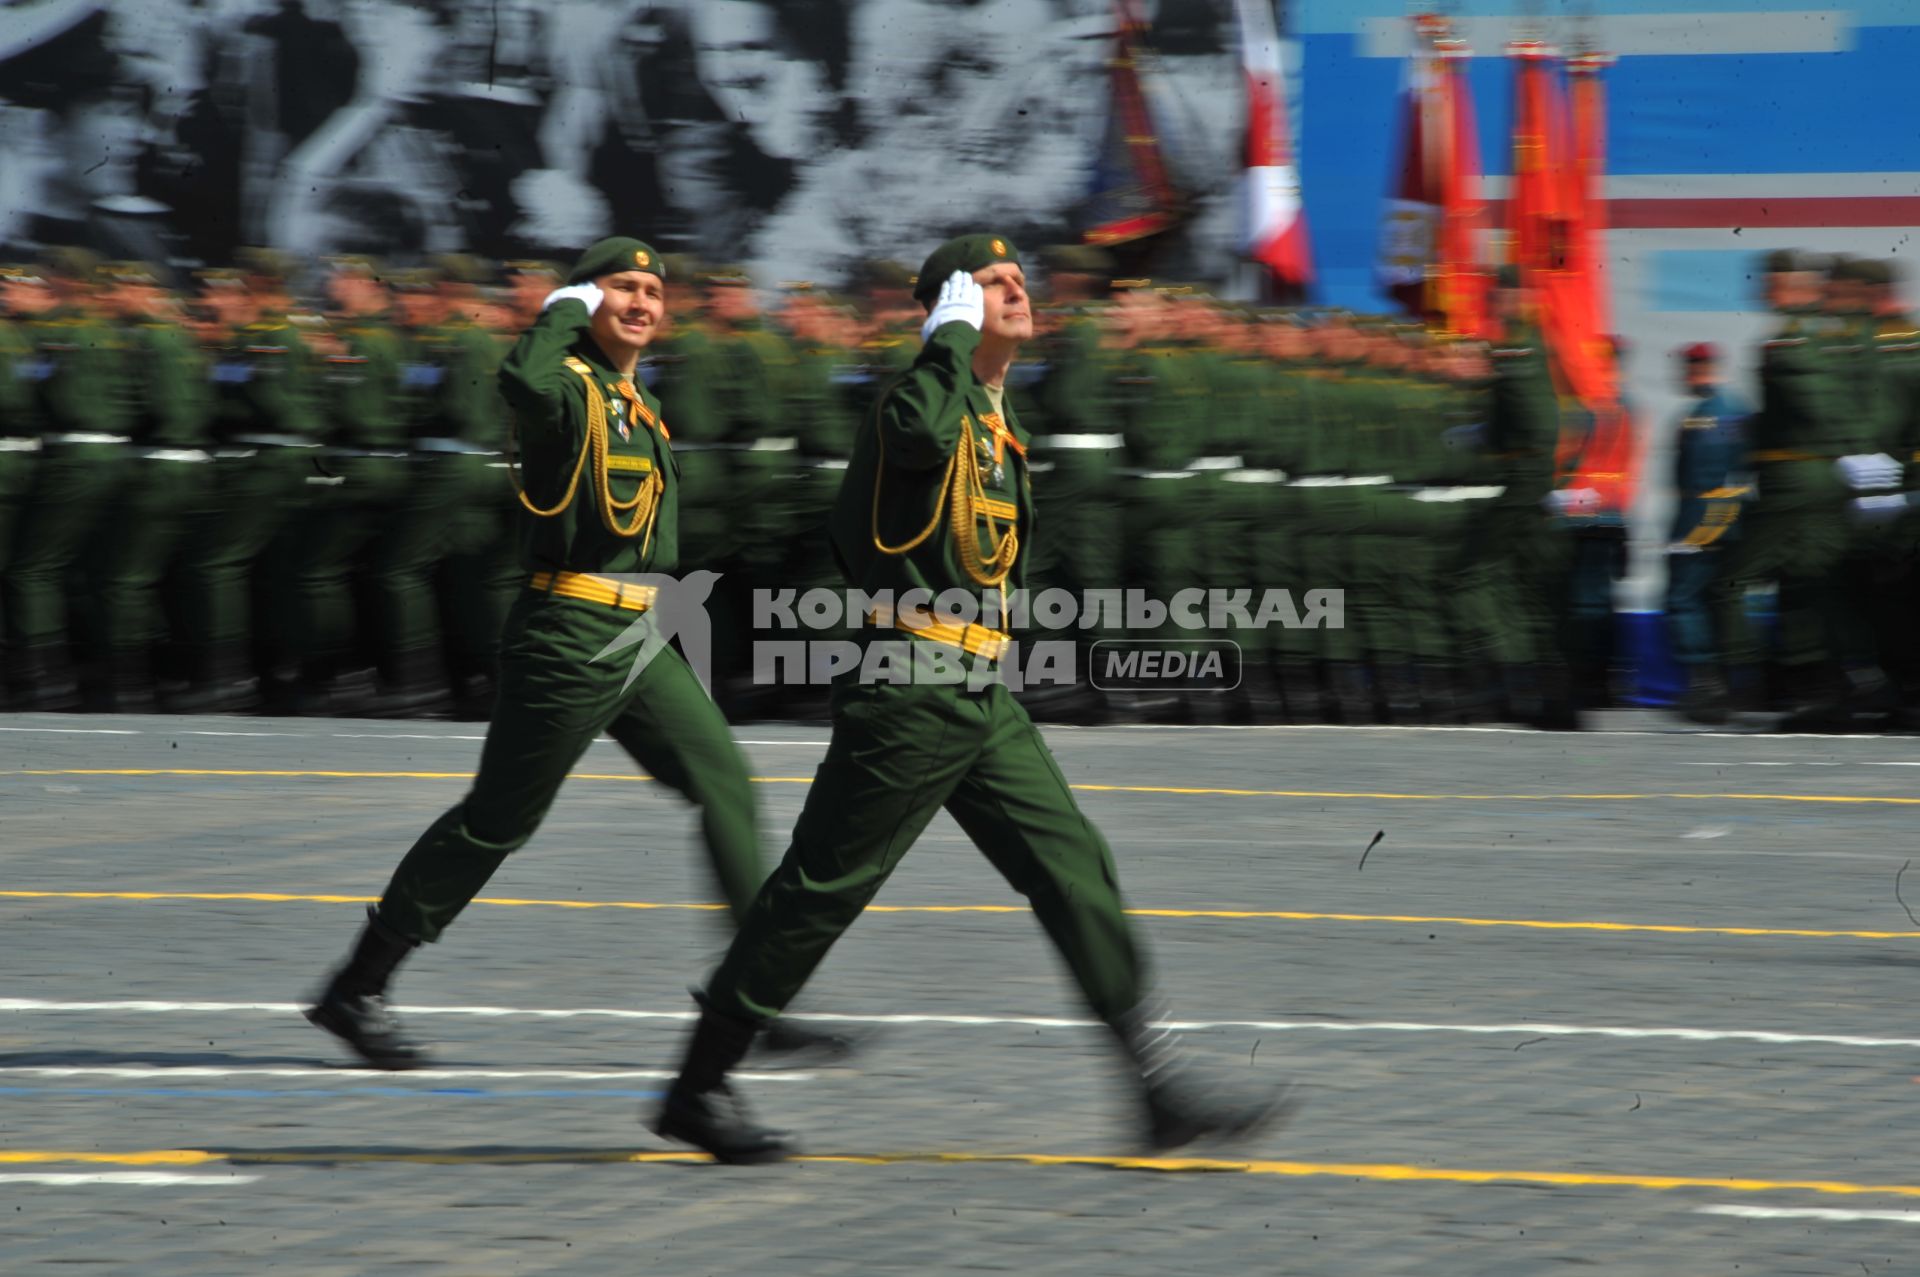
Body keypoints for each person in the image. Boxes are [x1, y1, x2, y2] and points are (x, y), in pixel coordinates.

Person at [648, 233, 1293, 1165]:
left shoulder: (990, 414)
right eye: (992, 283)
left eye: (1019, 279)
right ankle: (696, 1089)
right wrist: (947, 339)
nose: (1017, 290)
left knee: (1073, 863)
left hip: (976, 688)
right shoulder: (923, 397)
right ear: (950, 304)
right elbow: (914, 434)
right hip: (911, 685)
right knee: (820, 892)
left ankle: (1156, 1089)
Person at [303, 236, 841, 1069]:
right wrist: (561, 307)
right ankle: (357, 986)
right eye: (622, 287)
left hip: (636, 635)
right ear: (586, 302)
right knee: (499, 820)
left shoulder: (633, 396)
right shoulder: (566, 390)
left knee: (725, 782)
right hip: (570, 633)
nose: (642, 302)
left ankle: (754, 999)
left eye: (653, 291)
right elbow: (520, 380)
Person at [1662, 342, 1750, 723]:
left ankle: (1706, 687)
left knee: (1683, 599)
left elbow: (1704, 478)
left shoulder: (1708, 414)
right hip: (1727, 519)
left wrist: (1691, 534)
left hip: (1704, 520)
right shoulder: (1733, 408)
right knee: (1716, 602)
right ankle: (1726, 685)